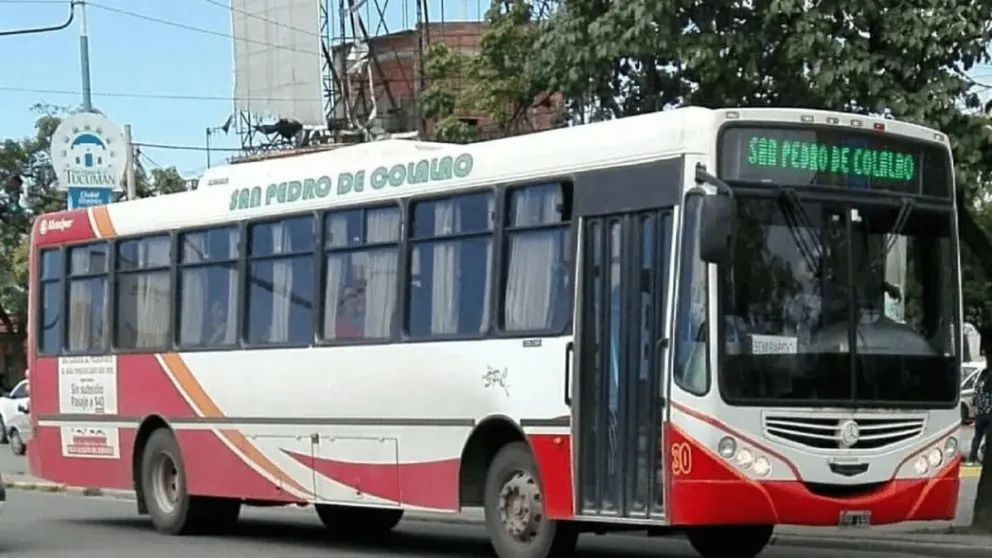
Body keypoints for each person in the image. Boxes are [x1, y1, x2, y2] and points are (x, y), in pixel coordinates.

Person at [969, 368, 992, 465]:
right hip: (989, 414)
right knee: (988, 438)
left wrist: (976, 408)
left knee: (977, 437)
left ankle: (972, 459)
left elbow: (974, 398)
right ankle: (986, 458)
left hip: (980, 414)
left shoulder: (980, 383)